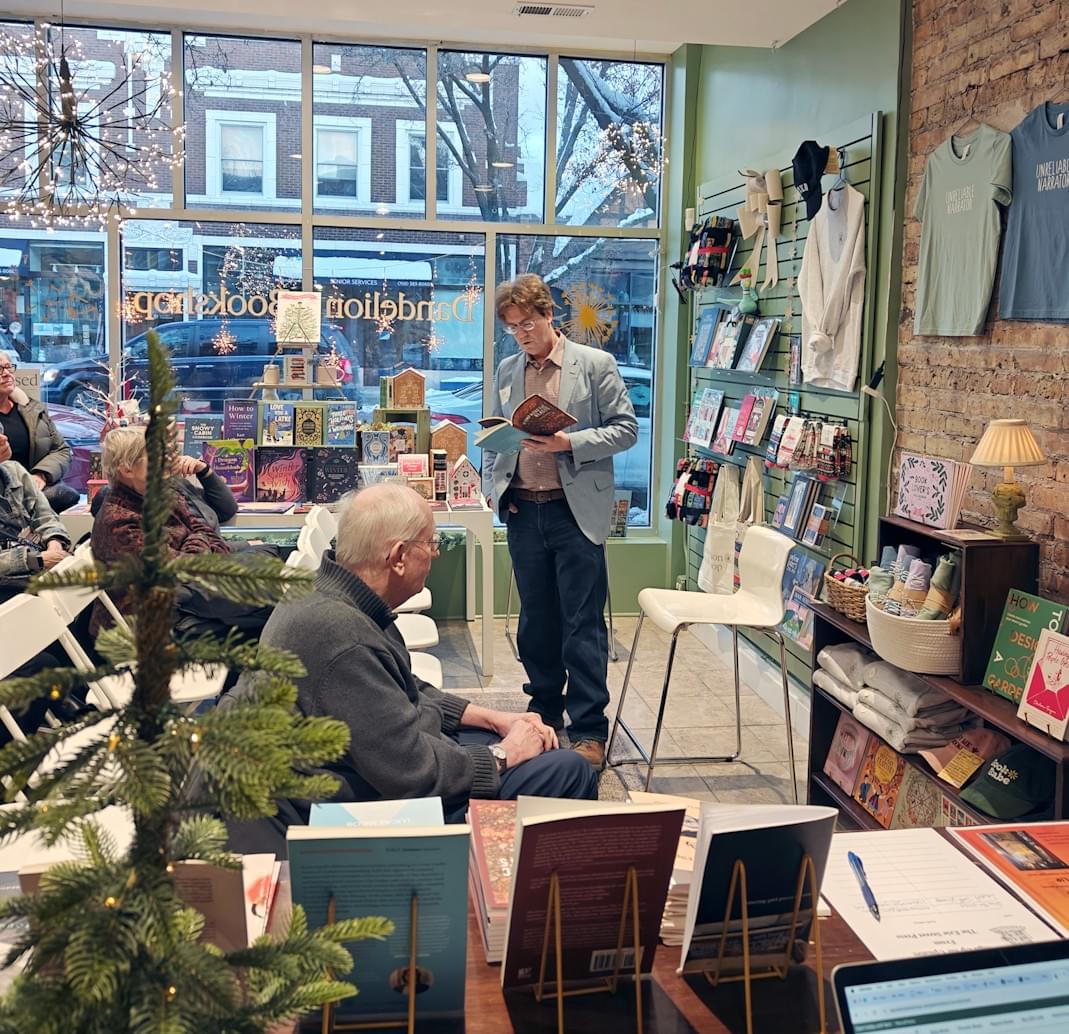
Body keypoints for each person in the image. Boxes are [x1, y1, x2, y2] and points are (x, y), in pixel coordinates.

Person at [224, 483, 597, 855]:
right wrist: (503, 754)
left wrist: (493, 719)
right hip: (360, 812)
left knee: (533, 749)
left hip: (370, 768)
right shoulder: (341, 635)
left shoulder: (339, 595)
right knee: (567, 770)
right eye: (431, 544)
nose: (435, 554)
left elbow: (402, 686)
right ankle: (525, 897)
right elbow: (415, 775)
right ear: (399, 556)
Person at [482, 274, 638, 769]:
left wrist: (568, 442)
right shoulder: (508, 370)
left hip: (576, 512)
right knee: (535, 621)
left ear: (549, 314)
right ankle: (544, 710)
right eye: (512, 328)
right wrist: (495, 491)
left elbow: (626, 429)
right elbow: (492, 435)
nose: (522, 334)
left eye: (527, 323)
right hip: (523, 509)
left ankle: (589, 727)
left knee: (582, 624)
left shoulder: (594, 365)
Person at [90, 426, 271, 640]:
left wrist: (198, 543)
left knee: (271, 558)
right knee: (274, 606)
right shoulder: (119, 523)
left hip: (185, 596)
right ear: (127, 469)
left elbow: (203, 530)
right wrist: (200, 542)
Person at [0, 354, 79, 513]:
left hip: (32, 492)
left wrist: (41, 474)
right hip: (4, 497)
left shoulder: (32, 410)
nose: (6, 373)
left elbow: (62, 450)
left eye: (9, 367)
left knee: (67, 495)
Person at [0, 458, 72, 604]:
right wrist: (35, 560)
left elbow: (46, 516)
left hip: (37, 570)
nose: (4, 439)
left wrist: (55, 544)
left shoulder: (14, 471)